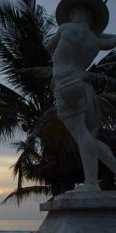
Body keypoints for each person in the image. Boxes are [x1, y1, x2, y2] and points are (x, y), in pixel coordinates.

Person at [47, 0, 116, 192]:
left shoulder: (65, 29)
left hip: (65, 84)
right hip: (83, 85)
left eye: (72, 11)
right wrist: (94, 31)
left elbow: (49, 46)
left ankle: (92, 183)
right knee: (89, 137)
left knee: (81, 135)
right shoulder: (97, 40)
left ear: (78, 13)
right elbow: (112, 39)